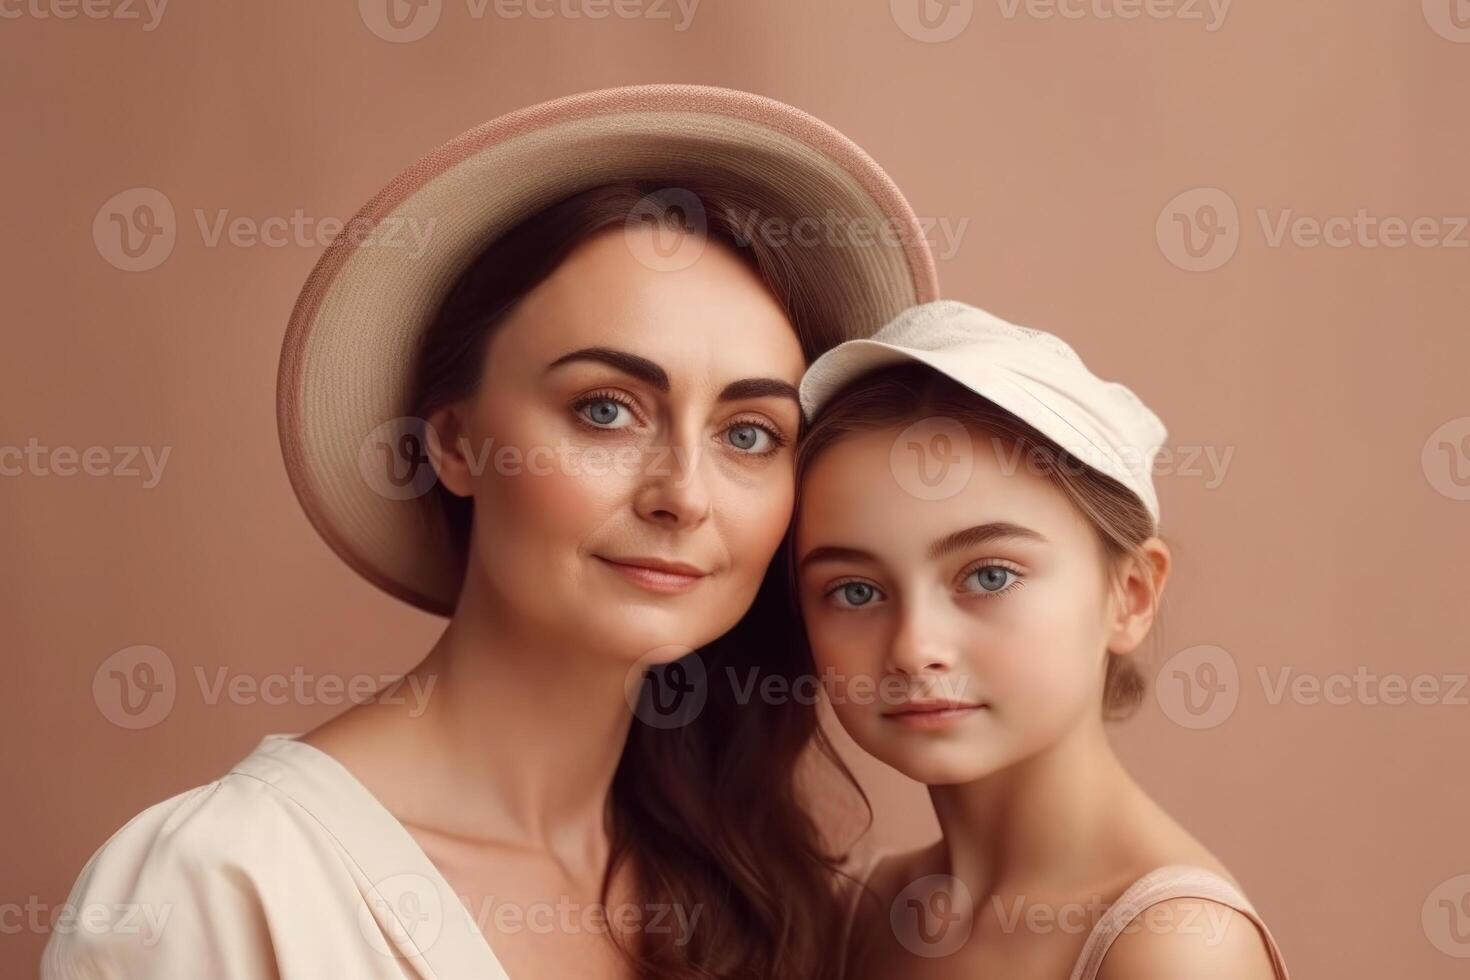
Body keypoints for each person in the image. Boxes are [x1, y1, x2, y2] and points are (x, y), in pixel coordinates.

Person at [41, 85, 938, 980]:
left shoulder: (763, 892)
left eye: (748, 434)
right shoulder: (226, 889)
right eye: (606, 410)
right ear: (456, 444)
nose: (683, 496)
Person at [790, 300, 1292, 979]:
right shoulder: (857, 913)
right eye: (855, 591)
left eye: (989, 575)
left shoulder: (1176, 948)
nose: (914, 647)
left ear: (1131, 595)